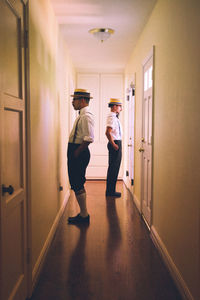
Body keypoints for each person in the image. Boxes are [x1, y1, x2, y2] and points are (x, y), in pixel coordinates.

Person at [67, 88, 94, 224]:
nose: (73, 102)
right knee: (76, 183)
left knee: (77, 183)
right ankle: (83, 214)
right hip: (76, 151)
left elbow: (89, 138)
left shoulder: (86, 116)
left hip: (79, 152)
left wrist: (76, 153)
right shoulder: (81, 115)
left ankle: (84, 216)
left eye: (75, 99)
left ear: (82, 100)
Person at [105, 98, 122, 197]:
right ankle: (110, 192)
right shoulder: (111, 117)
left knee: (114, 168)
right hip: (115, 143)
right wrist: (113, 144)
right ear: (115, 106)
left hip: (116, 143)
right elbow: (107, 132)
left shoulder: (114, 117)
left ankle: (110, 191)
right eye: (120, 106)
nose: (121, 109)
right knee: (113, 168)